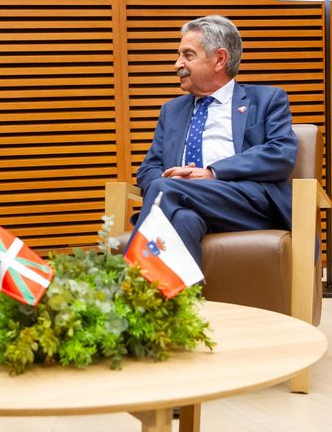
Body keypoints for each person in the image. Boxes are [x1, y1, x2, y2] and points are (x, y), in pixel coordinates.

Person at [127, 15, 298, 267]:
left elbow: (280, 154)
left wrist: (211, 173)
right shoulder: (171, 110)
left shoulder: (266, 99)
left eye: (188, 55)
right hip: (182, 199)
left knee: (166, 190)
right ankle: (185, 304)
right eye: (178, 55)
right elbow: (148, 169)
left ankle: (122, 290)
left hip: (247, 205)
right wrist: (174, 180)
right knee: (184, 218)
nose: (177, 64)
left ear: (219, 59)